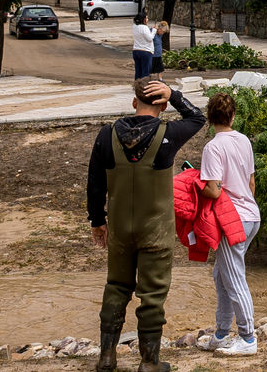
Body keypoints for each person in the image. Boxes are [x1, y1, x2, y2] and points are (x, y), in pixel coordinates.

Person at [87, 77, 206, 372]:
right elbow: (198, 117)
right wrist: (175, 94)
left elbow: (95, 184)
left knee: (116, 286)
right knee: (151, 295)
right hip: (155, 230)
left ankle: (106, 357)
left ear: (133, 102)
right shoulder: (169, 133)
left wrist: (97, 221)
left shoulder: (107, 134)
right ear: (162, 106)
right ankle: (149, 362)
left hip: (119, 230)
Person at [197, 93, 260, 356]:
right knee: (222, 275)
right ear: (232, 116)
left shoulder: (213, 147)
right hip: (251, 216)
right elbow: (251, 183)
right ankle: (221, 333)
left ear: (210, 118)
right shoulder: (243, 140)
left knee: (234, 278)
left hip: (231, 220)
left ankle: (247, 338)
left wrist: (195, 188)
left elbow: (212, 189)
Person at [132, 13, 156, 80]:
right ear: (143, 19)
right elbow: (150, 38)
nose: (147, 20)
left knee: (138, 71)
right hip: (145, 52)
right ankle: (144, 87)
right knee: (145, 72)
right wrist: (154, 31)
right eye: (147, 18)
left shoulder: (134, 26)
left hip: (136, 50)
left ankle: (137, 86)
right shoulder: (144, 27)